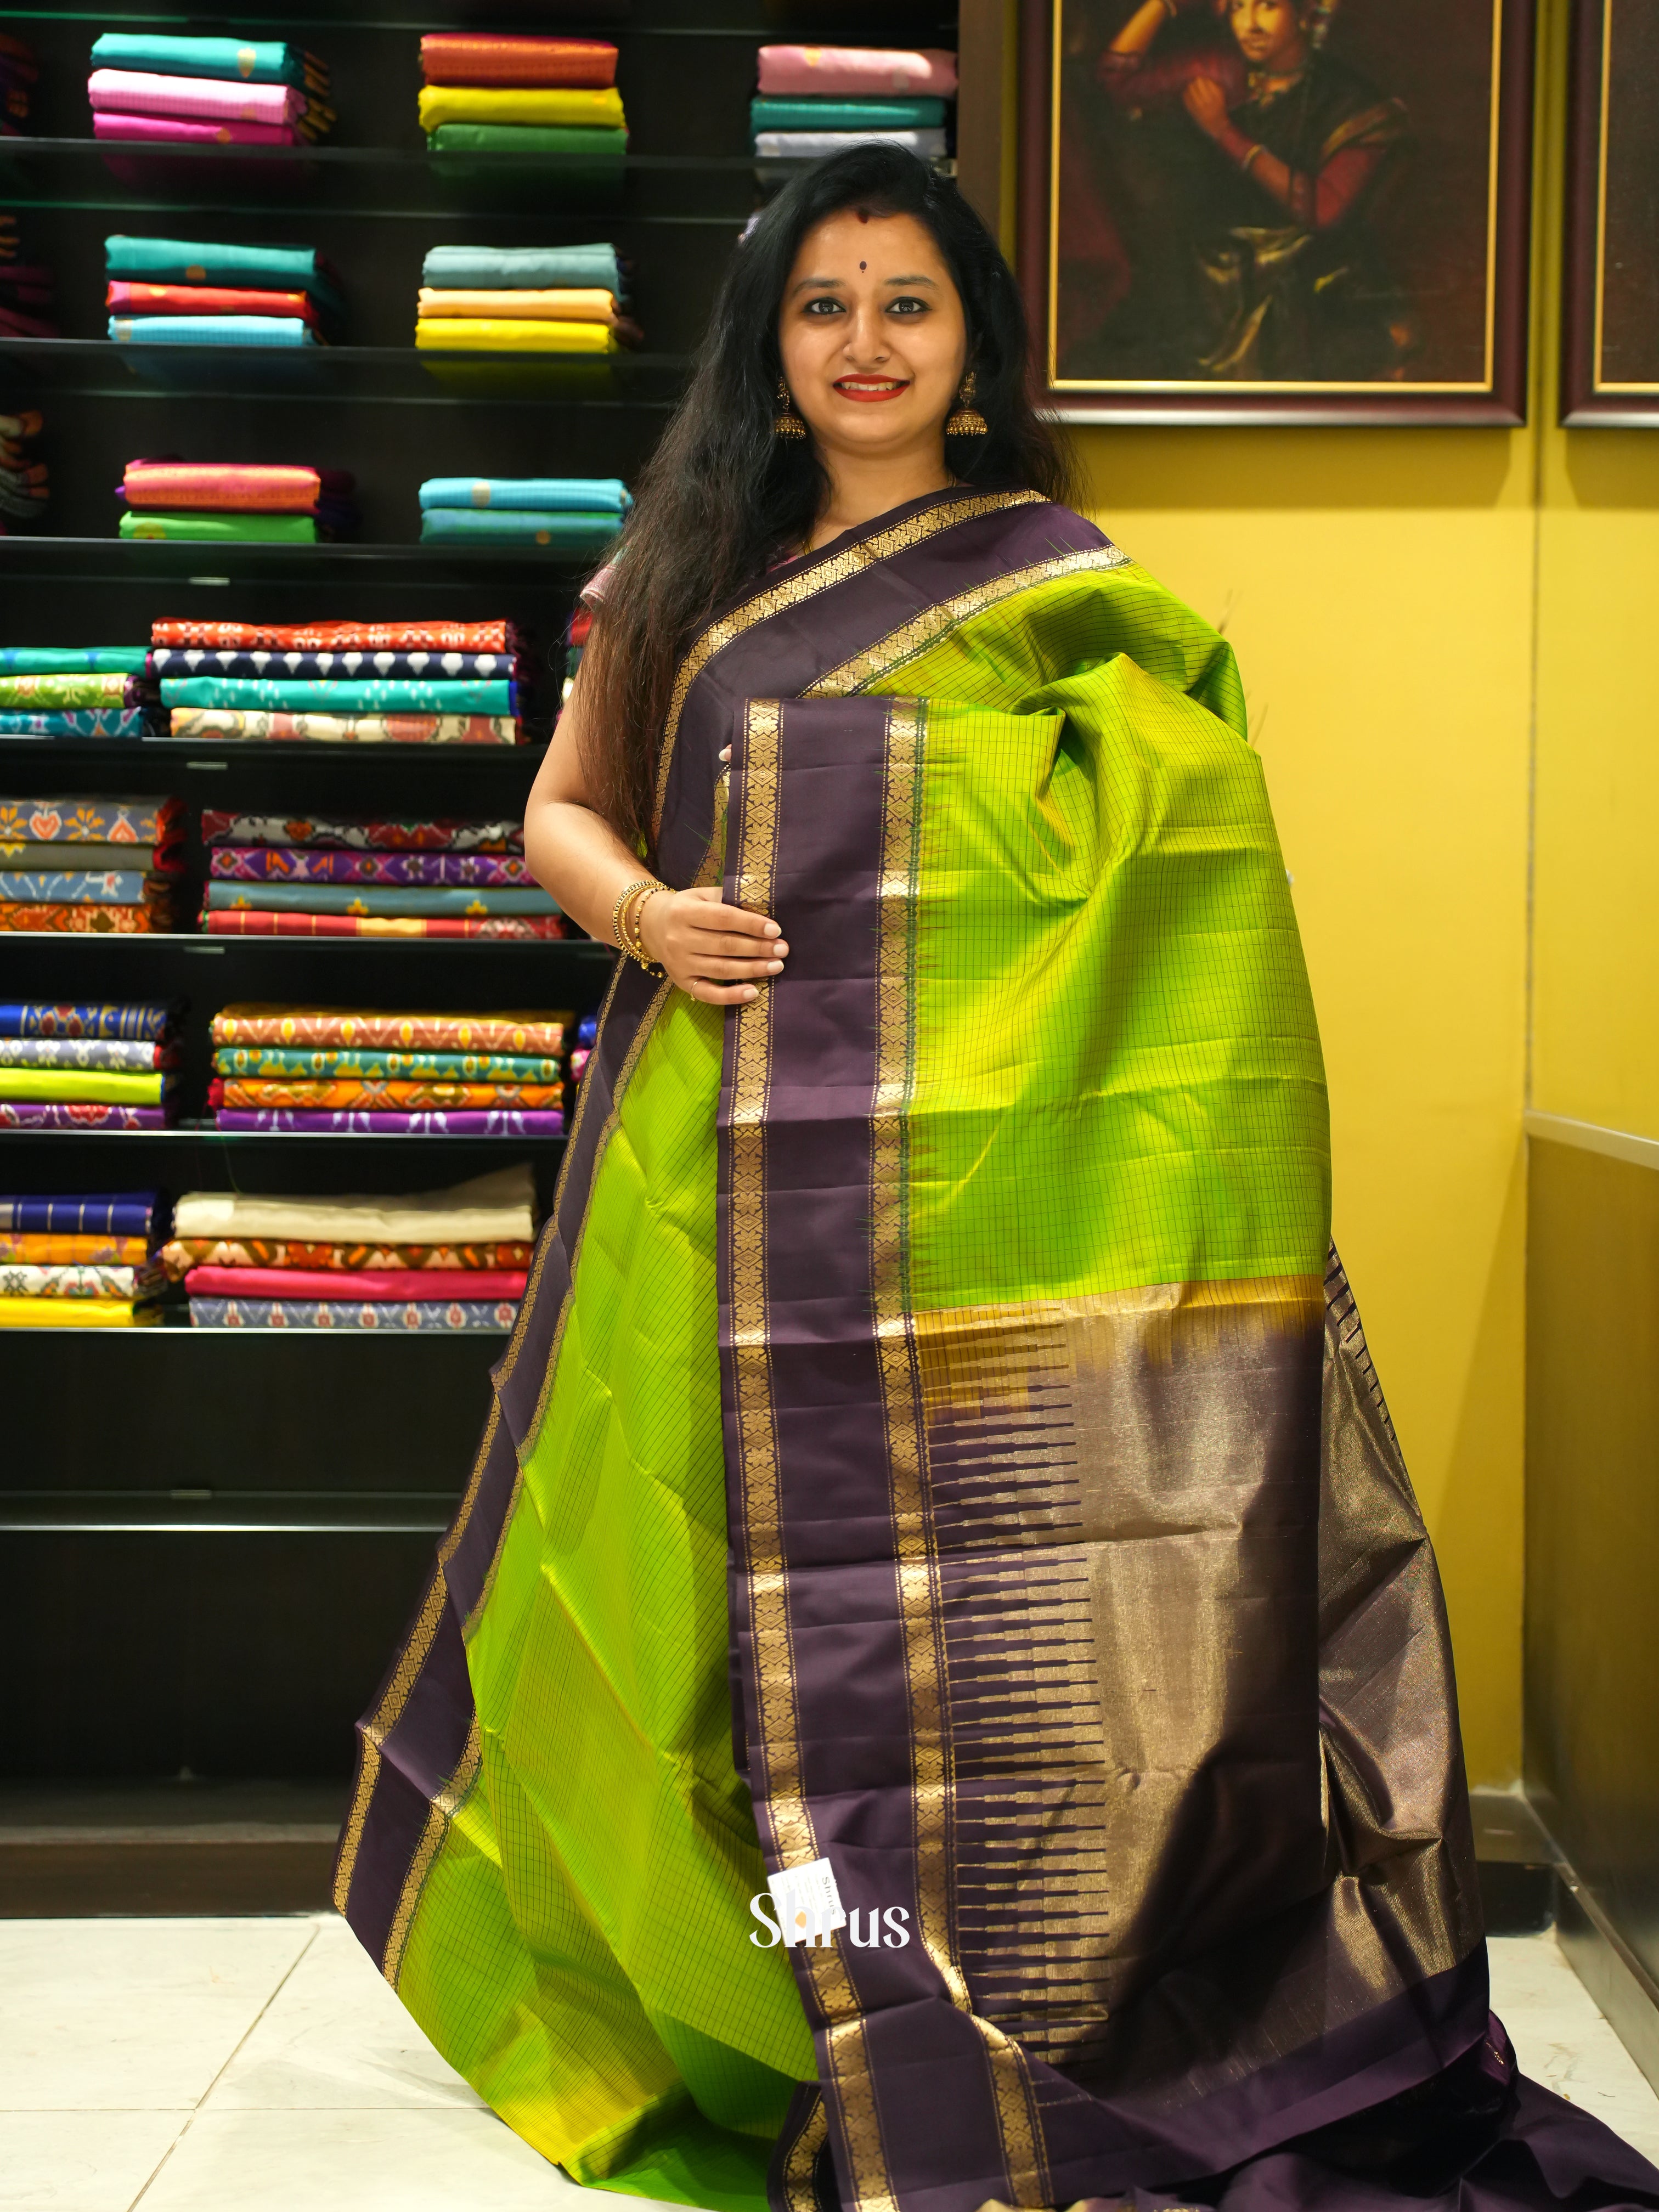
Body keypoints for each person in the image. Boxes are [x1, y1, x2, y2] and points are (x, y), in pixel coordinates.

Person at [335, 145, 1659, 2212]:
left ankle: (976, 1988)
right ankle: (777, 1995)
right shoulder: (682, 565)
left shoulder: (1056, 585)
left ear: (969, 350)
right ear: (770, 352)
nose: (863, 341)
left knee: (963, 1636)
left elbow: (1176, 846)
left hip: (976, 1221)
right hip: (709, 1178)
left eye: (907, 303)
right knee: (695, 1606)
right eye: (821, 305)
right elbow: (562, 808)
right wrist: (652, 915)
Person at [1065, 0, 1409, 380]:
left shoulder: (1351, 101)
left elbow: (1321, 209)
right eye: (1239, 7)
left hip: (1305, 277)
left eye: (1268, 7)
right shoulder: (1222, 71)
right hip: (1212, 275)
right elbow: (1115, 77)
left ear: (1305, 13)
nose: (1251, 25)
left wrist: (1223, 132)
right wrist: (1164, 5)